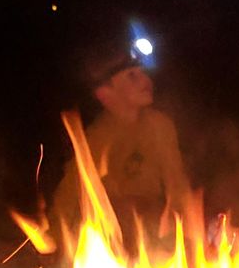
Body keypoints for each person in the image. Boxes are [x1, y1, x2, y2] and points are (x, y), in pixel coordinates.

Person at [51, 42, 190, 248]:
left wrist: (185, 224)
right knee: (126, 210)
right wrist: (53, 239)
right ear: (105, 94)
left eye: (142, 72)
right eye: (132, 76)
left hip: (152, 224)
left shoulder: (160, 125)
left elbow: (176, 184)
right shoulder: (99, 137)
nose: (145, 80)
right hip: (111, 230)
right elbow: (69, 195)